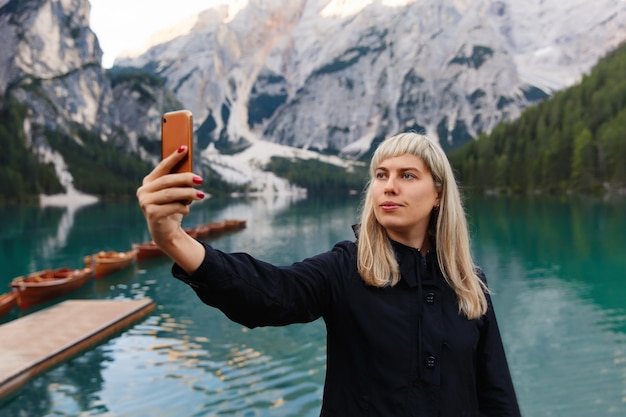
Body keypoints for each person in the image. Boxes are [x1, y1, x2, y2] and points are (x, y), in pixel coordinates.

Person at [137, 132, 522, 416]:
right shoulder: (347, 268)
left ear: (439, 194)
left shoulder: (471, 284)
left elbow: (496, 395)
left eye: (407, 176)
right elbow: (269, 294)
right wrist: (172, 239)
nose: (388, 187)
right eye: (381, 175)